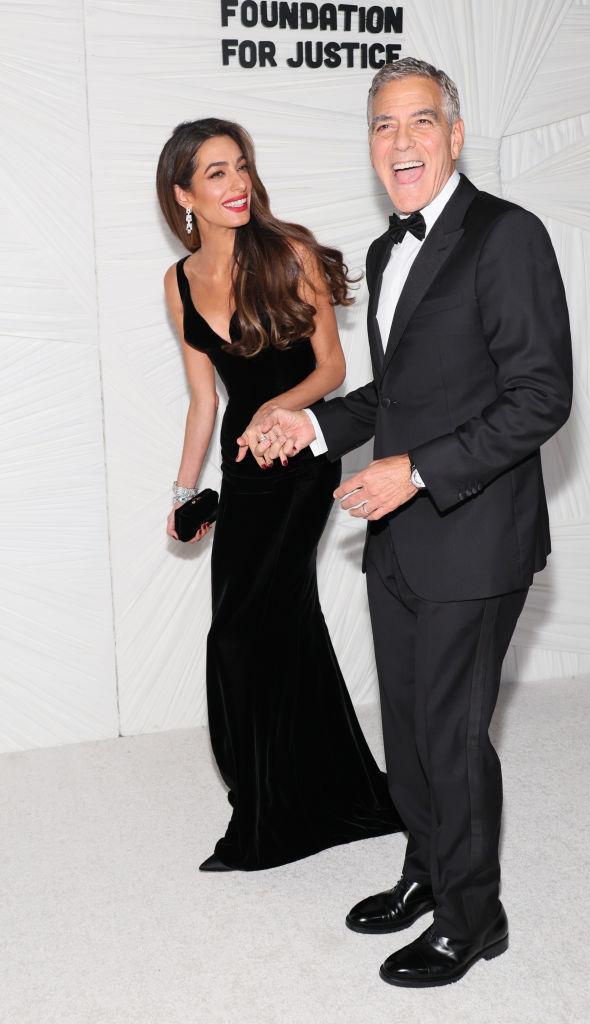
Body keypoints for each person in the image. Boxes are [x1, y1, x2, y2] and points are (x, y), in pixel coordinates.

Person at [257, 58, 573, 986]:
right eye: (382, 125)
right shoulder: (383, 251)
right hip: (397, 535)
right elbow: (396, 397)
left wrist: (417, 471)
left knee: (450, 733)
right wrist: (312, 424)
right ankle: (427, 872)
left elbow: (539, 396)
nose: (399, 142)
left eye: (419, 122)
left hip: (475, 536)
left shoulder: (507, 235)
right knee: (405, 725)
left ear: (454, 134)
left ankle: (472, 919)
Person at [156, 117, 401, 872]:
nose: (237, 185)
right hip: (241, 469)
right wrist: (184, 489)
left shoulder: (290, 251)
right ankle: (312, 792)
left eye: (241, 167)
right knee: (269, 624)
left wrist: (277, 411)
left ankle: (268, 812)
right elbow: (204, 400)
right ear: (184, 195)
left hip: (300, 456)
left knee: (248, 629)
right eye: (217, 173)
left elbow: (332, 369)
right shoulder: (177, 283)